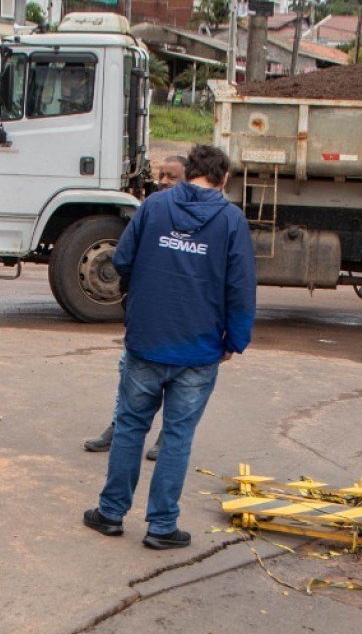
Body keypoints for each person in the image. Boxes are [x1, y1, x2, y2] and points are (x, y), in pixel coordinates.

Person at [82, 143, 254, 549]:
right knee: (176, 437)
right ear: (223, 178)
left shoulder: (154, 208)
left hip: (146, 340)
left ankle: (110, 513)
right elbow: (241, 287)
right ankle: (161, 527)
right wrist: (236, 339)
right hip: (199, 349)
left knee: (130, 427)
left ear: (187, 169)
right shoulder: (230, 220)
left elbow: (121, 260)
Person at [81, 155, 187, 458]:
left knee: (175, 381)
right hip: (146, 314)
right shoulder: (151, 212)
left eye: (172, 177)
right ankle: (119, 427)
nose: (164, 181)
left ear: (188, 181)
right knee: (129, 371)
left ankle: (165, 437)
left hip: (180, 317)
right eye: (162, 175)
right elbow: (124, 257)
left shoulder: (196, 220)